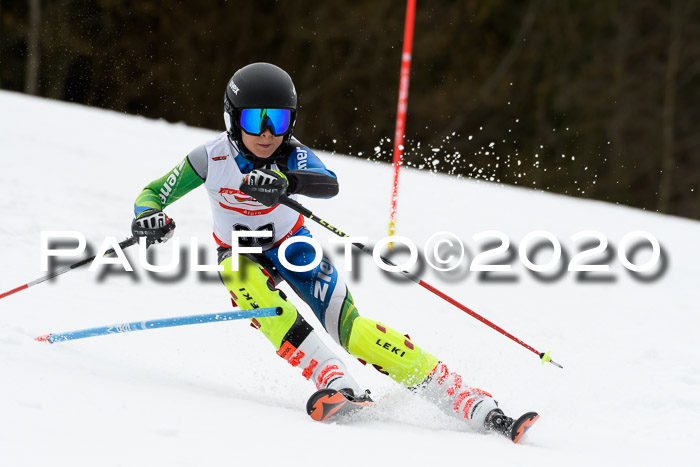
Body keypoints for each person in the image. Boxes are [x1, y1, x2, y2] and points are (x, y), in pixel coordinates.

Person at [130, 62, 527, 440]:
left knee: (351, 331)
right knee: (243, 280)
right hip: (240, 252)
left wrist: (284, 180)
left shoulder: (290, 153)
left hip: (293, 246)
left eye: (279, 120)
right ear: (233, 119)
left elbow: (327, 182)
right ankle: (333, 379)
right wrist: (149, 216)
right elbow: (153, 193)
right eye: (255, 120)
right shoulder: (209, 157)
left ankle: (464, 397)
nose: (268, 133)